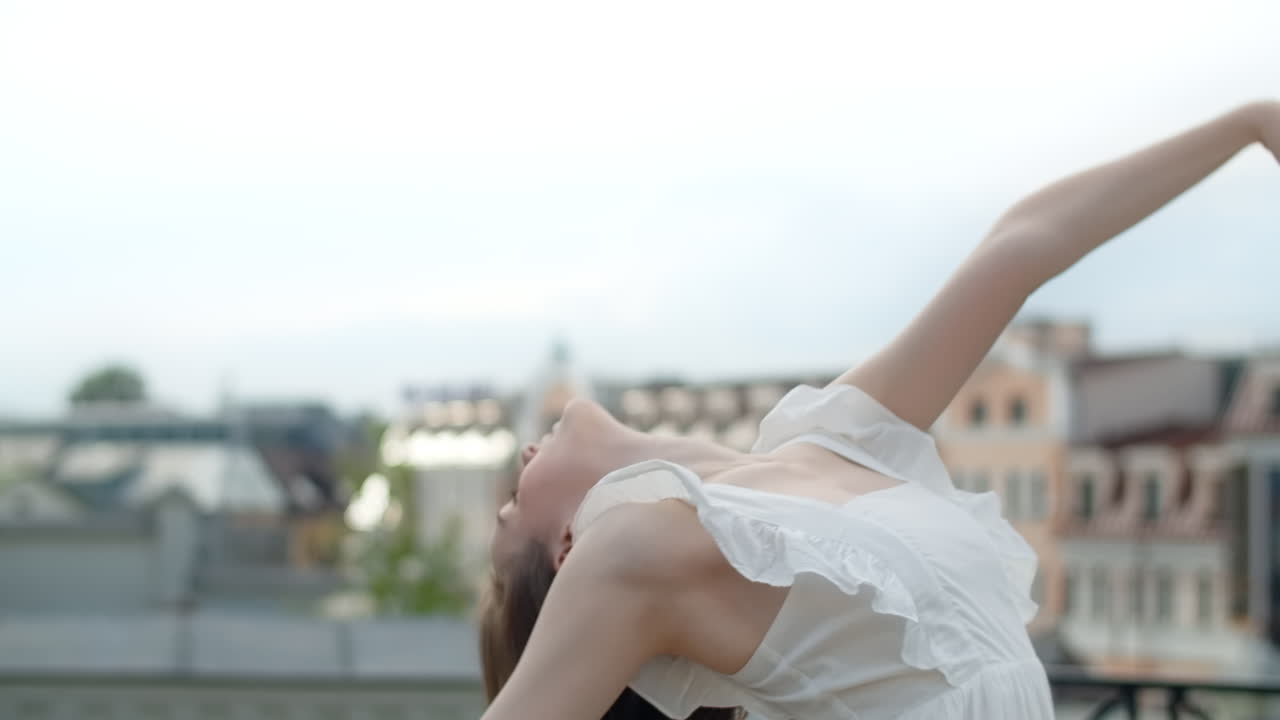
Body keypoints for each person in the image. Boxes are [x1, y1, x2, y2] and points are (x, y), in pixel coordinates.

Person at [479, 101, 1280, 720]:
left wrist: (1245, 124)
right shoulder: (632, 552)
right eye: (518, 506)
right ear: (570, 546)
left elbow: (1023, 244)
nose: (519, 461)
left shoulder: (828, 438)